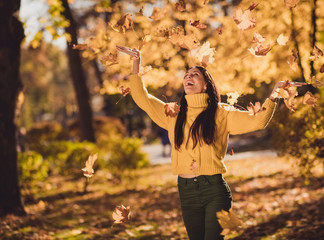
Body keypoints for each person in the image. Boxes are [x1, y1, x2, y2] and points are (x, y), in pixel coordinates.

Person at [116, 46, 301, 240]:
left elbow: (258, 121)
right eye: (187, 74)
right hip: (186, 190)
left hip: (213, 190)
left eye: (195, 74)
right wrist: (136, 61)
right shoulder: (173, 114)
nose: (189, 76)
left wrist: (273, 95)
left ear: (206, 85)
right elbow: (142, 98)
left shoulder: (221, 113)